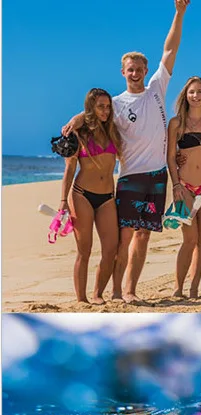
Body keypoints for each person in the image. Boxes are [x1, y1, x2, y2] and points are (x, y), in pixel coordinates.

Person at [63, 0, 189, 303]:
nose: (135, 73)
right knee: (125, 237)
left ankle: (130, 290)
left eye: (139, 69)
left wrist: (179, 13)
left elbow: (170, 50)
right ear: (123, 72)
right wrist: (77, 118)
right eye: (130, 69)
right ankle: (116, 291)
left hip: (157, 176)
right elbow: (94, 114)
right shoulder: (116, 105)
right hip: (130, 177)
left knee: (144, 236)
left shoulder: (157, 88)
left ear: (146, 70)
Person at [59, 88, 123, 304]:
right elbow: (69, 170)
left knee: (111, 248)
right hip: (82, 196)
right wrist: (63, 202)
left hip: (107, 198)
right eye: (100, 107)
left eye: (108, 107)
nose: (105, 111)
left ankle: (98, 294)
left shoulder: (113, 131)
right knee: (84, 250)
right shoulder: (78, 135)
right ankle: (81, 299)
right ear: (91, 108)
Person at [167, 77, 201, 297]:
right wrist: (176, 184)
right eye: (192, 92)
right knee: (189, 239)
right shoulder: (176, 123)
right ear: (185, 96)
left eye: (200, 92)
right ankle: (178, 288)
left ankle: (194, 289)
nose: (196, 96)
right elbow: (170, 157)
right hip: (185, 187)